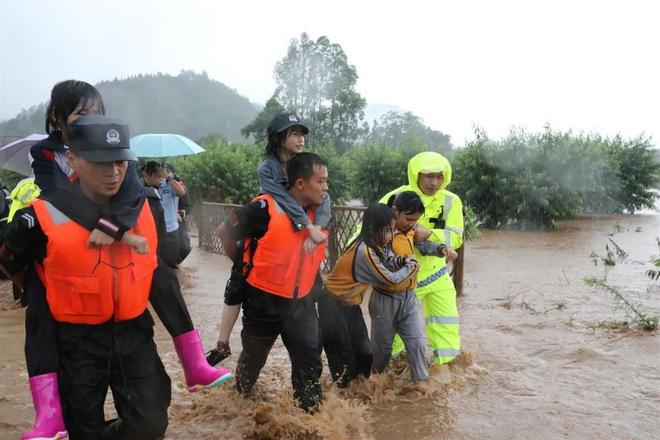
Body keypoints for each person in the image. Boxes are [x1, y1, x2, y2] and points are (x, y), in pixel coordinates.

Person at [0, 116, 171, 439]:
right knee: (82, 429)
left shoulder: (141, 206)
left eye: (120, 162)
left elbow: (157, 271)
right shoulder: (41, 215)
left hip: (132, 334)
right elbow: (9, 260)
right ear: (73, 159)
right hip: (76, 342)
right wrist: (42, 290)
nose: (114, 172)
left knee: (151, 422)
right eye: (100, 162)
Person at [207, 113, 331, 366]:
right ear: (278, 139)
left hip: (294, 270)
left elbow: (325, 198)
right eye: (294, 134)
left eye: (302, 134)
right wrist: (306, 225)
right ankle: (222, 343)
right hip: (267, 230)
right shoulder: (268, 170)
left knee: (308, 350)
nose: (301, 139)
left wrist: (316, 226)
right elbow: (283, 199)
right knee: (238, 284)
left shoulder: (306, 166)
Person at [223, 152, 328, 412]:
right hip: (263, 301)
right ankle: (238, 402)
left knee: (310, 360)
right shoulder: (262, 209)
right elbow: (225, 232)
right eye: (321, 181)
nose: (326, 187)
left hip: (301, 301)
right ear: (300, 184)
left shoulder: (321, 212)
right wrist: (242, 265)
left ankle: (309, 419)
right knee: (253, 360)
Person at [380, 152, 463, 368]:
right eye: (429, 176)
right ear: (416, 175)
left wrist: (429, 234)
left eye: (439, 177)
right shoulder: (396, 197)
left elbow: (456, 236)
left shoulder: (451, 201)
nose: (434, 182)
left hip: (437, 274)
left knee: (447, 324)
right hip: (403, 278)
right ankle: (390, 371)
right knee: (397, 331)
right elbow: (368, 228)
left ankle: (448, 370)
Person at [142, 161, 186, 268]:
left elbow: (182, 193)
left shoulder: (169, 185)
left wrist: (169, 178)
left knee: (168, 265)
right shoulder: (145, 189)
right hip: (153, 232)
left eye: (145, 176)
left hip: (170, 233)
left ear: (152, 175)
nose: (144, 178)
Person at [164, 163, 192, 264]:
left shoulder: (180, 187)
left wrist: (180, 213)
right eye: (163, 172)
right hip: (162, 222)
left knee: (184, 247)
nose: (165, 174)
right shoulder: (156, 185)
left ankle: (175, 263)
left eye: (167, 172)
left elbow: (187, 206)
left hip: (177, 221)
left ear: (173, 173)